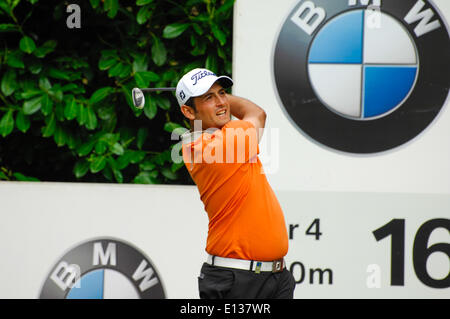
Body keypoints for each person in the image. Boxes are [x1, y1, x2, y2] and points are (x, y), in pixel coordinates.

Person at [176, 68, 295, 299]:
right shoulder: (216, 146)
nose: (221, 102)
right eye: (209, 97)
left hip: (274, 277)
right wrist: (221, 99)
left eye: (222, 93)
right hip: (237, 281)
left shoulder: (213, 139)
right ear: (188, 111)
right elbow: (256, 113)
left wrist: (209, 99)